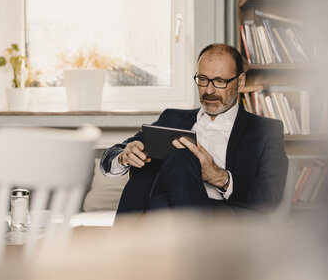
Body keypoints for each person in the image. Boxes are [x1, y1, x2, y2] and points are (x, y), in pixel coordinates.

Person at [100, 43, 288, 215]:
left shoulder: (264, 130)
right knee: (150, 175)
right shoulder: (171, 118)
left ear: (240, 82)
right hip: (163, 211)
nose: (209, 91)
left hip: (219, 215)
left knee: (181, 158)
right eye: (203, 79)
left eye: (220, 81)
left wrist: (218, 176)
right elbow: (110, 157)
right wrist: (124, 157)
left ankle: (125, 245)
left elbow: (271, 194)